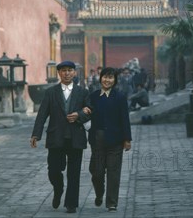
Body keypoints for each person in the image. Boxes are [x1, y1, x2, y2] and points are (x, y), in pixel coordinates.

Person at [30, 60, 91, 214]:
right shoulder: (51, 92)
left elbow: (91, 110)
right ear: (59, 73)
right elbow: (42, 114)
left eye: (70, 70)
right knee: (54, 170)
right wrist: (36, 134)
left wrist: (79, 114)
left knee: (74, 172)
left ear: (74, 73)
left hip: (75, 136)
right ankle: (58, 189)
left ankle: (71, 203)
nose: (67, 73)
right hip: (56, 137)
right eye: (63, 70)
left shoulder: (82, 92)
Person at [88, 67, 132, 212]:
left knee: (113, 173)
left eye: (111, 78)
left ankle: (112, 202)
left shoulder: (119, 97)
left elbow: (125, 119)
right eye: (105, 77)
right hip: (97, 140)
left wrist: (127, 139)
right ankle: (99, 193)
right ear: (100, 78)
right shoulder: (93, 96)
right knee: (97, 172)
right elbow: (86, 113)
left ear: (115, 80)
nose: (107, 80)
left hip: (115, 140)